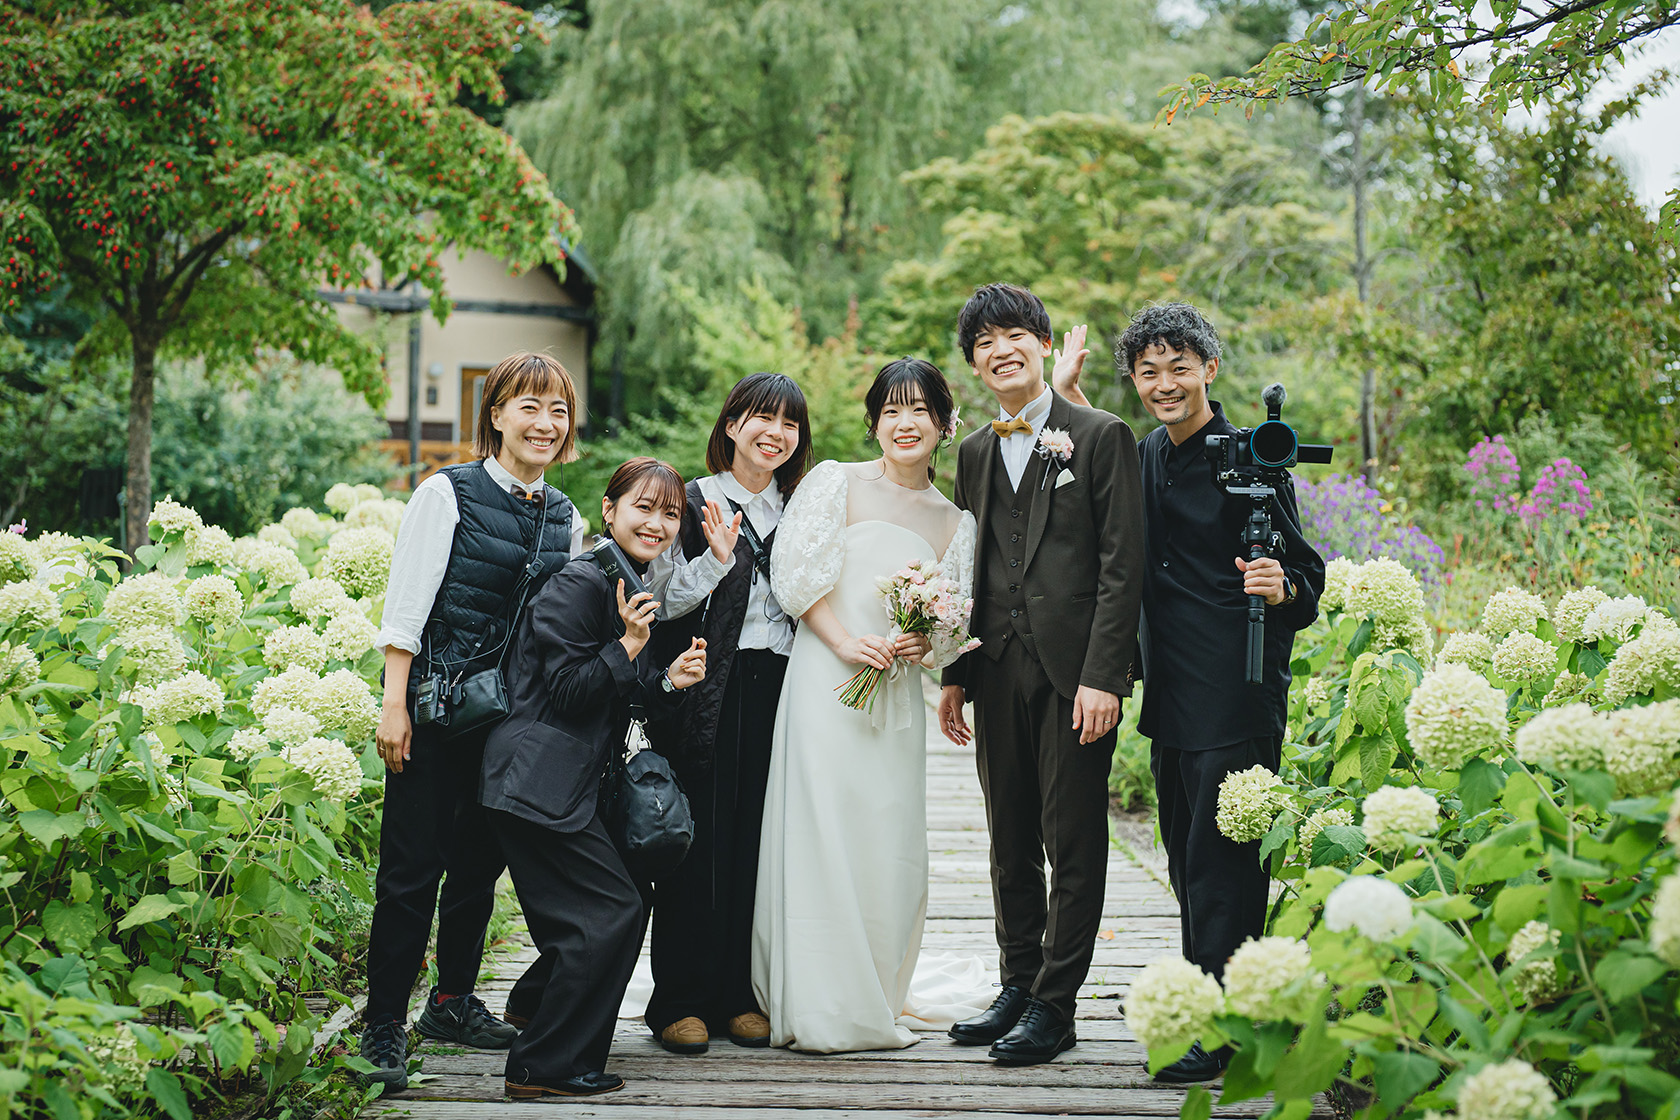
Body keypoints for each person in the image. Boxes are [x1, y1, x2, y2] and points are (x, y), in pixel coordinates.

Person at [1055, 302, 1325, 1083]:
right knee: (1186, 860)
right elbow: (1092, 484)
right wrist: (1066, 396)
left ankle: (1227, 1030)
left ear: (1209, 369)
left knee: (1223, 867)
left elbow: (1306, 577)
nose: (1164, 384)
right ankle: (1211, 1010)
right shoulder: (1146, 454)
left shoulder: (1252, 457)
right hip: (1171, 692)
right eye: (1149, 372)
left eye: (1179, 367)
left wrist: (1278, 586)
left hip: (1236, 688)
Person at [363, 352, 587, 1093]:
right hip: (434, 714)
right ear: (496, 414)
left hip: (507, 727)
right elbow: (407, 606)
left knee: (476, 873)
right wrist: (394, 704)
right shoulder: (446, 492)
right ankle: (382, 1026)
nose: (545, 424)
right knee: (409, 876)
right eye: (529, 406)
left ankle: (451, 1003)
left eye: (558, 411)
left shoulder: (565, 516)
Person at [753, 358, 989, 1053]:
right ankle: (815, 989)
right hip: (825, 681)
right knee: (821, 826)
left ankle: (877, 984)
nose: (904, 423)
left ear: (944, 424)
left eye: (920, 410)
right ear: (874, 423)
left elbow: (951, 628)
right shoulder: (836, 482)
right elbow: (795, 578)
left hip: (893, 699)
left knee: (885, 837)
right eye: (891, 410)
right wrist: (845, 642)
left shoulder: (956, 522)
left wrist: (924, 644)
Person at [937, 283, 1145, 1066]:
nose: (1002, 350)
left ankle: (1056, 1007)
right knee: (1009, 837)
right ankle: (1017, 984)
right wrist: (956, 673)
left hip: (1074, 675)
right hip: (995, 667)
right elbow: (969, 566)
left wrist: (1106, 676)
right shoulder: (973, 451)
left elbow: (1123, 567)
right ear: (974, 363)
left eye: (1015, 335)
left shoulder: (1100, 435)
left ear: (1044, 344)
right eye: (984, 342)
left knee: (1073, 841)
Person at [480, 457, 708, 1099]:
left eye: (671, 514)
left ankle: (542, 1023)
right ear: (609, 511)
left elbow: (622, 699)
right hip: (536, 781)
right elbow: (568, 692)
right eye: (644, 507)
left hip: (569, 784)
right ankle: (542, 1065)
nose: (657, 523)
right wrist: (630, 645)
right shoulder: (579, 582)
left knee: (619, 905)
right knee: (610, 911)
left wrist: (669, 680)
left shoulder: (626, 582)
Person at [639, 372, 812, 1055]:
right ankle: (679, 1000)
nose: (776, 433)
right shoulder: (690, 500)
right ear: (733, 424)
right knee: (699, 839)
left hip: (783, 684)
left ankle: (739, 995)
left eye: (790, 423)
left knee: (757, 841)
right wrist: (714, 561)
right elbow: (659, 601)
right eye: (763, 418)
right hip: (709, 687)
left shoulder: (800, 506)